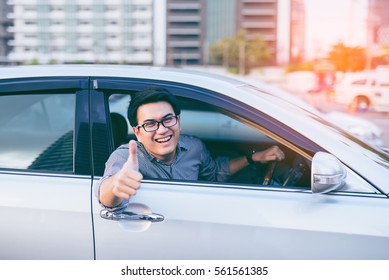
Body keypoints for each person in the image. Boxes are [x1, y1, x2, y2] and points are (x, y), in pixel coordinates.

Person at [98, 87, 285, 209]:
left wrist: (253, 157)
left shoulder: (194, 146)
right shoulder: (125, 158)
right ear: (137, 132)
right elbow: (104, 196)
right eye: (150, 124)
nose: (162, 130)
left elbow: (215, 172)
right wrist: (116, 185)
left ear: (178, 121)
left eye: (167, 119)